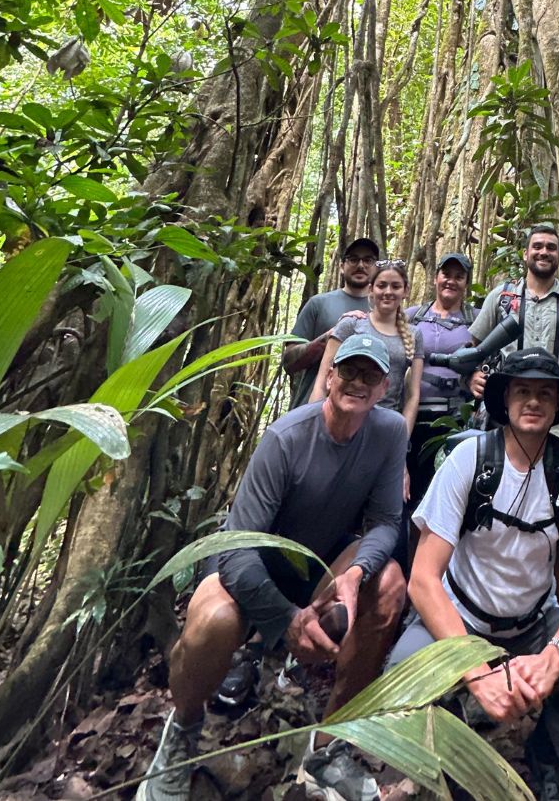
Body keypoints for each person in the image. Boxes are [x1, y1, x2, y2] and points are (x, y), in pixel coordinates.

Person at [135, 331, 407, 801]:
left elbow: (385, 521)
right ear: (330, 376)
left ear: (384, 387)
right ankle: (181, 732)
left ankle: (328, 747)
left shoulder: (390, 432)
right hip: (249, 565)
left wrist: (356, 572)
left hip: (316, 565)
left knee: (389, 585)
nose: (358, 382)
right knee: (215, 622)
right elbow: (237, 549)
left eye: (370, 375)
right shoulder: (286, 438)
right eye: (349, 370)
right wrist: (287, 622)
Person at [386, 348, 559, 801]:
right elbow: (423, 580)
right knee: (406, 678)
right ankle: (455, 766)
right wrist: (476, 673)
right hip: (461, 623)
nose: (532, 401)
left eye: (545, 393)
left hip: (534, 623)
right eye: (522, 391)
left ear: (557, 405)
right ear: (505, 400)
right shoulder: (469, 460)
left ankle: (555, 758)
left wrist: (554, 657)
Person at [468, 224, 559, 453]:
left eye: (551, 248)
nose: (544, 252)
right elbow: (472, 349)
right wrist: (472, 376)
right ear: (525, 254)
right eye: (537, 246)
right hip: (506, 419)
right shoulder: (501, 297)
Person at [309, 259, 421, 440]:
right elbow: (322, 381)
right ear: (371, 289)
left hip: (384, 428)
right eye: (381, 285)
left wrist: (402, 439)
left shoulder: (414, 334)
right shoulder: (351, 324)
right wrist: (315, 430)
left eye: (395, 286)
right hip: (341, 422)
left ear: (405, 291)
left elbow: (412, 395)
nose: (388, 292)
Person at [405, 251, 478, 507]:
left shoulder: (476, 319)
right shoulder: (412, 316)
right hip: (412, 418)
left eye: (459, 276)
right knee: (409, 490)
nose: (451, 281)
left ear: (466, 283)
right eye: (446, 274)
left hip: (455, 419)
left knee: (446, 493)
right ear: (436, 277)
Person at [283, 237, 379, 409]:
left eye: (368, 260)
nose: (360, 265)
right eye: (353, 259)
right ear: (341, 266)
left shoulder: (384, 312)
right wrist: (327, 338)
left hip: (364, 412)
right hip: (315, 407)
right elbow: (289, 362)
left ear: (376, 267)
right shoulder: (318, 303)